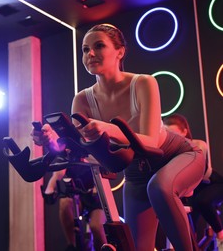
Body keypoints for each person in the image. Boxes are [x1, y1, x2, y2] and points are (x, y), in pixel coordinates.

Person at [32, 23, 206, 251]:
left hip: (178, 156)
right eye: (85, 49)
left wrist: (108, 128)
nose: (90, 54)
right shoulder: (82, 100)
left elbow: (151, 142)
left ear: (120, 52)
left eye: (99, 46)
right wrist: (51, 141)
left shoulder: (143, 83)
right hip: (137, 175)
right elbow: (78, 151)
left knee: (159, 188)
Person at [163, 113, 223, 249]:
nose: (172, 138)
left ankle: (221, 235)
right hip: (192, 191)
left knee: (202, 201)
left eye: (174, 134)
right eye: (168, 134)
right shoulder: (170, 152)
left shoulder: (198, 144)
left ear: (184, 132)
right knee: (187, 223)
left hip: (213, 184)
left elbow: (199, 172)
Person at [43, 168, 106, 251]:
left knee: (96, 227)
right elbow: (58, 173)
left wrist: (98, 185)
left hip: (96, 194)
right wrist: (50, 187)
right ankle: (72, 246)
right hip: (77, 194)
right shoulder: (67, 155)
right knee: (65, 203)